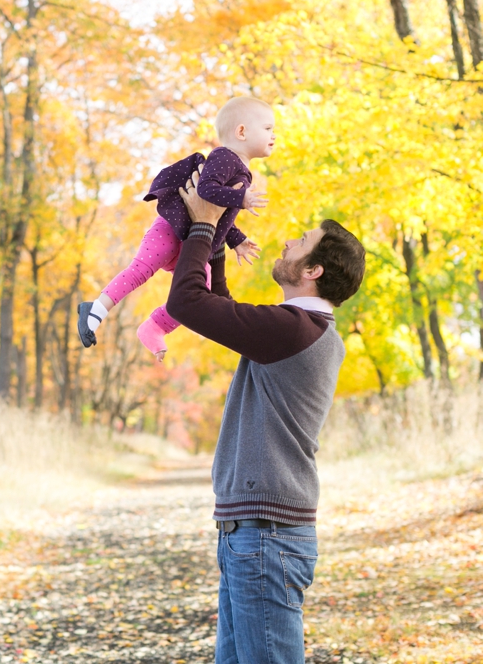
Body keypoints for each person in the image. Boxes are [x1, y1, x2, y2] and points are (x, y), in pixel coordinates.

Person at [167, 171, 366, 664]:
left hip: (266, 537)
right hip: (254, 534)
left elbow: (188, 303)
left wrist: (200, 225)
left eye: (301, 242)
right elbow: (219, 308)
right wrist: (214, 235)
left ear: (314, 270)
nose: (287, 243)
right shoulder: (298, 329)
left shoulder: (296, 330)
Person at [77, 95, 272, 361]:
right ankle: (96, 309)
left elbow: (221, 213)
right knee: (142, 270)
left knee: (195, 292)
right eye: (268, 129)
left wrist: (236, 239)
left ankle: (155, 326)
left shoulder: (240, 167)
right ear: (241, 131)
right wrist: (242, 198)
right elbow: (206, 190)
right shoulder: (225, 157)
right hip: (172, 229)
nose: (274, 135)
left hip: (193, 241)